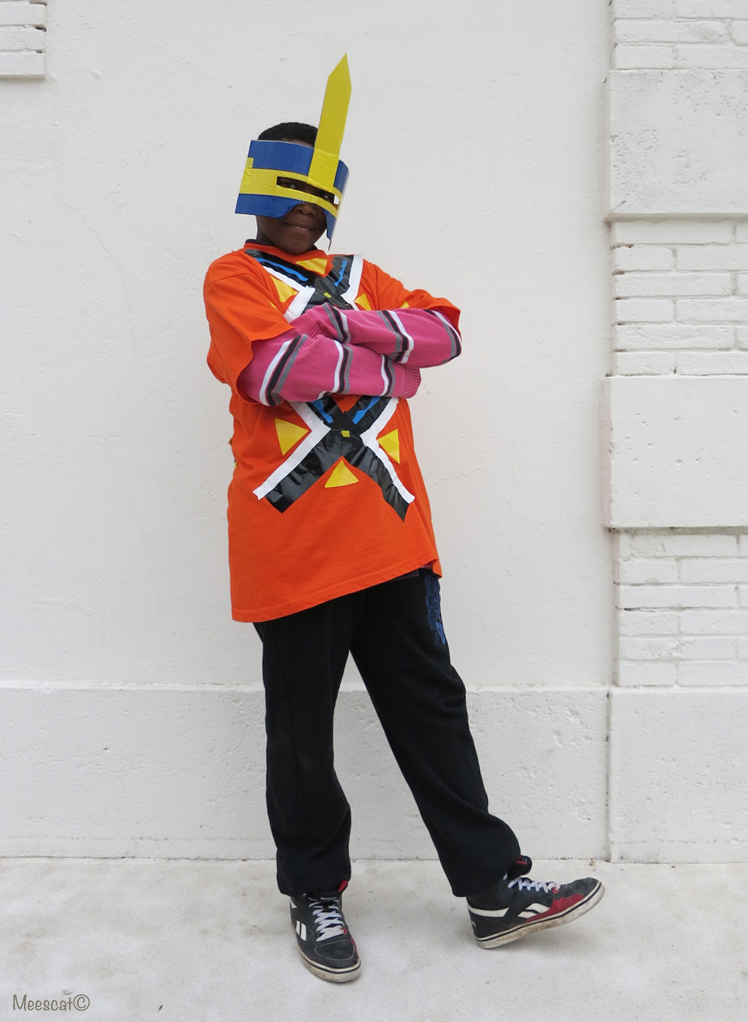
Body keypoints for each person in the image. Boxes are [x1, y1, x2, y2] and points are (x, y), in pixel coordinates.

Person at [203, 56, 604, 984]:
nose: (304, 212)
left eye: (319, 197)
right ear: (256, 190)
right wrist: (386, 354)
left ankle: (494, 890)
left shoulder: (360, 274)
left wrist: (339, 330)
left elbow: (445, 334)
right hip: (292, 548)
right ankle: (314, 891)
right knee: (302, 734)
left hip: (393, 540)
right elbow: (274, 373)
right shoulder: (234, 278)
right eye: (287, 192)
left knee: (433, 712)